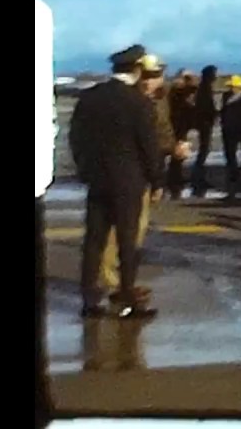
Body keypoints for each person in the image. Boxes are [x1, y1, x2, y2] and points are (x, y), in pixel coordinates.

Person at [69, 44, 163, 319]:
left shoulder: (90, 98)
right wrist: (156, 179)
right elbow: (148, 146)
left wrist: (85, 169)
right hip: (129, 182)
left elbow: (76, 138)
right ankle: (127, 299)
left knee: (94, 241)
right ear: (136, 70)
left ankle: (89, 300)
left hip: (97, 180)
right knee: (127, 241)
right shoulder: (138, 102)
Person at [99, 53, 190, 300]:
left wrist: (172, 148)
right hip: (129, 173)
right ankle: (112, 282)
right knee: (117, 232)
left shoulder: (159, 99)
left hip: (146, 172)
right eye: (150, 75)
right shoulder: (134, 101)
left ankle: (124, 281)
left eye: (159, 74)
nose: (156, 80)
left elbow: (162, 130)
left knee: (136, 230)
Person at [165, 69, 198, 198]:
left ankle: (173, 179)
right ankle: (174, 180)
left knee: (176, 155)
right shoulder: (178, 92)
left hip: (178, 125)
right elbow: (193, 88)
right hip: (177, 126)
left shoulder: (174, 91)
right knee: (176, 155)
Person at [191, 65, 219, 196]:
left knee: (204, 150)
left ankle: (199, 176)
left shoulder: (204, 87)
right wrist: (213, 114)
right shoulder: (204, 88)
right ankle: (197, 177)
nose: (216, 76)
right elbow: (204, 107)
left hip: (204, 122)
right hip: (204, 123)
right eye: (214, 74)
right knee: (203, 150)